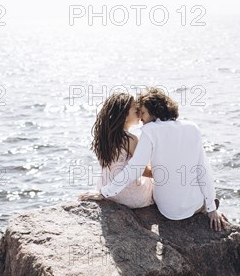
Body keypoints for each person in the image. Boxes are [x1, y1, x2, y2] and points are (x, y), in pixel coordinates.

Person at [80, 88, 229, 231]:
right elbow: (203, 171)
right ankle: (208, 204)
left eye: (143, 112)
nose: (141, 118)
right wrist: (212, 209)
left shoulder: (148, 131)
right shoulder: (192, 127)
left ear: (154, 111)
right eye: (137, 112)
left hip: (165, 208)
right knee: (193, 172)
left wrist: (104, 192)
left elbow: (134, 168)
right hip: (192, 207)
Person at [79, 93, 154, 209]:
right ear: (124, 116)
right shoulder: (130, 139)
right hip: (129, 196)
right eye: (136, 110)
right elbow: (142, 170)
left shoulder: (103, 137)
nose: (139, 112)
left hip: (105, 189)